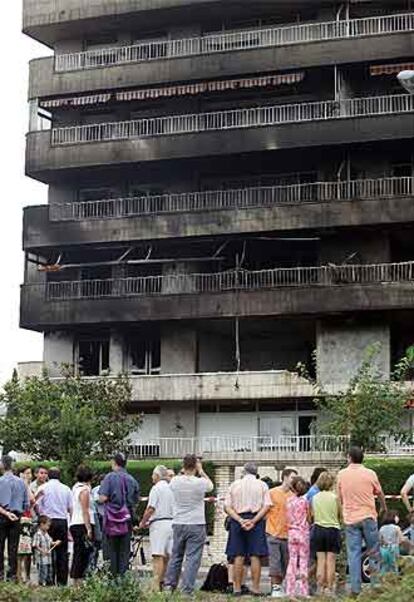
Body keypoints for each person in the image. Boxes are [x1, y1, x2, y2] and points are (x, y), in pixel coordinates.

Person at [337, 446, 387, 598]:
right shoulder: (370, 473)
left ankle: (355, 589)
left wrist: (341, 514)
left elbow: (339, 498)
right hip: (368, 516)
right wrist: (383, 507)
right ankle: (375, 586)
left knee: (354, 554)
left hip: (350, 518)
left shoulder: (341, 474)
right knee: (374, 552)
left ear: (349, 458)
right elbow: (379, 493)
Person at [164, 454, 214, 595]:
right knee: (193, 558)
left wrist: (186, 468)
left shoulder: (175, 481)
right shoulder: (200, 482)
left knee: (176, 555)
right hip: (196, 523)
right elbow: (211, 486)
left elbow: (176, 480)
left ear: (183, 466)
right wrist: (202, 470)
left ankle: (169, 586)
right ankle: (187, 590)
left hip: (179, 522)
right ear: (196, 466)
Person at [224, 462, 272, 596]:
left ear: (244, 471)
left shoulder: (234, 485)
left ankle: (237, 588)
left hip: (237, 519)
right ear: (256, 472)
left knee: (238, 555)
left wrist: (239, 520)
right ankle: (256, 588)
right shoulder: (262, 485)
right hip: (256, 520)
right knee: (255, 555)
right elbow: (267, 505)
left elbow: (227, 506)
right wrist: (254, 520)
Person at [99, 452, 140, 577]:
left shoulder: (109, 477)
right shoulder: (132, 480)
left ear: (114, 463)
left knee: (110, 552)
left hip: (111, 521)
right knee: (124, 552)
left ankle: (112, 581)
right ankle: (122, 581)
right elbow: (135, 501)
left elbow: (102, 498)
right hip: (126, 521)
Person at [35, 467, 73, 586]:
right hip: (62, 521)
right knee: (62, 552)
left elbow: (36, 505)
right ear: (59, 476)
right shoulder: (66, 489)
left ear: (48, 476)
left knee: (48, 550)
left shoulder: (42, 488)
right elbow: (70, 508)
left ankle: (49, 579)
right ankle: (62, 581)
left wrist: (40, 515)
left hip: (47, 521)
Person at [139, 465, 174, 591]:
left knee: (158, 555)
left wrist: (143, 522)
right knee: (167, 557)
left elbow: (151, 508)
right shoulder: (172, 488)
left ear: (157, 476)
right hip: (172, 523)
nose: (151, 477)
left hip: (159, 525)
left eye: (153, 474)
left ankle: (155, 585)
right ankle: (165, 582)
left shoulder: (156, 488)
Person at [266, 468, 297, 598]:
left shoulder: (294, 496)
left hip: (288, 535)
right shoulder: (272, 493)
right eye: (292, 477)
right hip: (273, 533)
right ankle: (275, 588)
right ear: (284, 477)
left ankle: (281, 587)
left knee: (285, 564)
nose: (294, 480)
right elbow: (265, 510)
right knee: (275, 563)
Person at [0, 455, 30, 581]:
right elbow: (26, 504)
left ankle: (0, 574)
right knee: (13, 547)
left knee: (0, 546)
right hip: (17, 515)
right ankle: (12, 575)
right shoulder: (21, 483)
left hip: (2, 515)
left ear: (2, 465)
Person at [311, 471, 341, 596]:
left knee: (320, 560)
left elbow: (312, 514)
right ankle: (329, 587)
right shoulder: (335, 497)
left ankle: (320, 587)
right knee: (331, 560)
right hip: (332, 529)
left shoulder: (315, 497)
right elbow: (340, 514)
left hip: (318, 529)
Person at [285, 476, 311, 599]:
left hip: (291, 532)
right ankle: (303, 591)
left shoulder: (289, 501)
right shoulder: (305, 501)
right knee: (303, 562)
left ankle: (290, 591)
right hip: (303, 533)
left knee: (292, 561)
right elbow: (309, 517)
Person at [70, 465, 95, 586]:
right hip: (82, 523)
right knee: (83, 553)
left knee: (78, 552)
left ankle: (76, 579)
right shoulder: (84, 490)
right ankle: (78, 580)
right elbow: (85, 510)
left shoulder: (75, 488)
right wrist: (89, 528)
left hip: (75, 522)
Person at [17, 466, 35, 583]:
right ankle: (20, 575)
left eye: (30, 473)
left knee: (27, 550)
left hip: (28, 519)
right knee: (21, 549)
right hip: (22, 519)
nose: (29, 476)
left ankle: (25, 575)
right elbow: (31, 498)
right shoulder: (22, 486)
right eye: (27, 473)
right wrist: (25, 484)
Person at [32, 515, 61, 586]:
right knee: (43, 572)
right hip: (41, 559)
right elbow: (35, 545)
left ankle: (48, 583)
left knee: (49, 572)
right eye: (47, 525)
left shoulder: (47, 534)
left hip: (48, 559)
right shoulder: (38, 534)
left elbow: (50, 542)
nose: (48, 527)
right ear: (42, 524)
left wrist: (55, 543)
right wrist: (42, 551)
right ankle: (41, 584)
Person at [379, 511, 404, 575]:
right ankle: (394, 581)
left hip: (384, 549)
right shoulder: (396, 528)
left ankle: (383, 580)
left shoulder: (382, 528)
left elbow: (380, 540)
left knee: (384, 566)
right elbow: (401, 539)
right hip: (394, 548)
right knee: (394, 566)